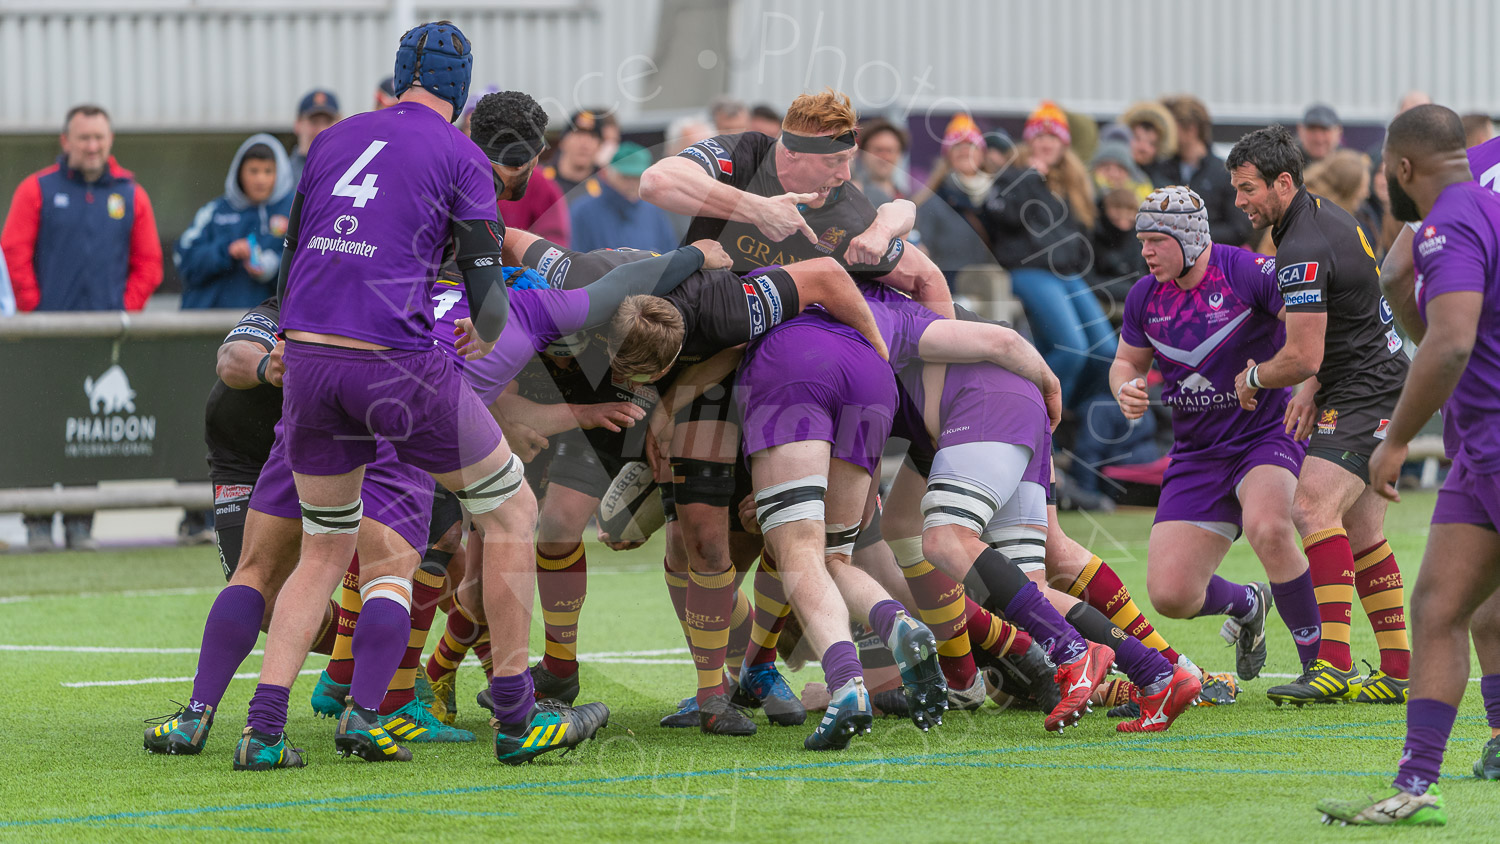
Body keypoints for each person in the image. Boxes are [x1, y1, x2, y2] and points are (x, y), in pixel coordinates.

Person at [233, 22, 602, 771]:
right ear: (462, 90)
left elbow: (288, 266)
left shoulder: (334, 138)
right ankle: (517, 717)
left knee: (325, 547)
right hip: (394, 365)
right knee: (513, 511)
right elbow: (488, 292)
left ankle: (262, 731)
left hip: (306, 360)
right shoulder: (464, 154)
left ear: (399, 72)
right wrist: (481, 330)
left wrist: (287, 342)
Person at [638, 87, 951, 735]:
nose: (845, 176)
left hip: (786, 389)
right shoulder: (742, 155)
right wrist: (755, 208)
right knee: (693, 537)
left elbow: (917, 268)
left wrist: (893, 219)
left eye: (849, 162)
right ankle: (713, 686)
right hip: (702, 375)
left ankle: (758, 666)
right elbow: (655, 180)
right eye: (835, 163)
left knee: (782, 539)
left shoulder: (845, 207)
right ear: (792, 153)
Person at [1316, 103, 1500, 828]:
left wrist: (1393, 441)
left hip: (1491, 434)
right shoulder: (1477, 203)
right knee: (1439, 607)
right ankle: (1416, 784)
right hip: (1478, 445)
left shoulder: (1449, 220)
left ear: (1400, 170)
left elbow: (1450, 341)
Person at [1226, 124, 1412, 706]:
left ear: (1283, 182)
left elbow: (1303, 351)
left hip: (1368, 390)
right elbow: (1335, 329)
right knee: (1362, 529)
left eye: (1248, 188)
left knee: (1310, 505)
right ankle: (1398, 670)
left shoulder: (1300, 247)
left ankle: (1331, 664)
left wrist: (1255, 376)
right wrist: (1311, 386)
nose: (1240, 201)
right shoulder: (1323, 214)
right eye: (1236, 189)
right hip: (1372, 379)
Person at [1112, 186, 1322, 682]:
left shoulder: (1248, 272)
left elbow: (1311, 335)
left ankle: (1320, 664)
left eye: (1156, 241)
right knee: (1172, 595)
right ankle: (1249, 604)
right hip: (1197, 453)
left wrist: (1307, 389)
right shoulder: (1145, 295)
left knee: (1269, 527)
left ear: (1188, 239)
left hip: (1266, 433)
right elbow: (1125, 362)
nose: (1145, 251)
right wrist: (1126, 388)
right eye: (1142, 240)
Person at [1, 103, 163, 552]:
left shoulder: (132, 194)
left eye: (99, 138)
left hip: (101, 340)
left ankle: (78, 524)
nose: (92, 146)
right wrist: (38, 314)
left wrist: (118, 313)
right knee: (39, 425)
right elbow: (13, 254)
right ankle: (36, 524)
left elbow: (149, 265)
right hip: (42, 338)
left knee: (86, 430)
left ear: (109, 141)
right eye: (83, 137)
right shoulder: (36, 190)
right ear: (65, 142)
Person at [176, 135, 294, 310]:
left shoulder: (294, 213)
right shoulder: (215, 211)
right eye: (253, 171)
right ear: (239, 173)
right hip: (207, 323)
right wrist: (227, 251)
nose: (260, 179)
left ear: (280, 173)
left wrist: (273, 267)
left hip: (265, 326)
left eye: (268, 171)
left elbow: (307, 272)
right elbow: (184, 261)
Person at [1150, 95, 1252, 247]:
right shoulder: (1159, 169)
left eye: (1169, 127)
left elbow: (1240, 229)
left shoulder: (1225, 173)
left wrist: (1192, 233)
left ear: (1191, 129)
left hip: (1212, 262)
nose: (1162, 134)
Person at [917, 115, 996, 287]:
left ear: (982, 154)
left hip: (994, 288)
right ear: (948, 156)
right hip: (952, 289)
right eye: (957, 146)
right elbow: (922, 255)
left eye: (971, 145)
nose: (965, 150)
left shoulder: (1000, 197)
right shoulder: (932, 202)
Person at [570, 143, 677, 253]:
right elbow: (576, 260)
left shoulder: (654, 211)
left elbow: (669, 257)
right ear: (607, 174)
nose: (632, 183)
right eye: (625, 176)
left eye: (637, 177)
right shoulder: (583, 212)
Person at [546, 110, 603, 203]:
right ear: (563, 141)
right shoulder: (542, 179)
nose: (585, 144)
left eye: (592, 137)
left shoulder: (606, 186)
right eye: (578, 135)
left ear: (600, 146)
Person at [287, 89, 340, 186]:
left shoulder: (350, 173)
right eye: (314, 121)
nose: (321, 131)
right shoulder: (281, 177)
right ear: (297, 124)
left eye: (327, 122)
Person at [1119, 101, 1178, 178]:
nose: (1143, 148)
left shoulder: (1165, 180)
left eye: (1151, 143)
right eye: (1137, 139)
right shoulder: (1112, 172)